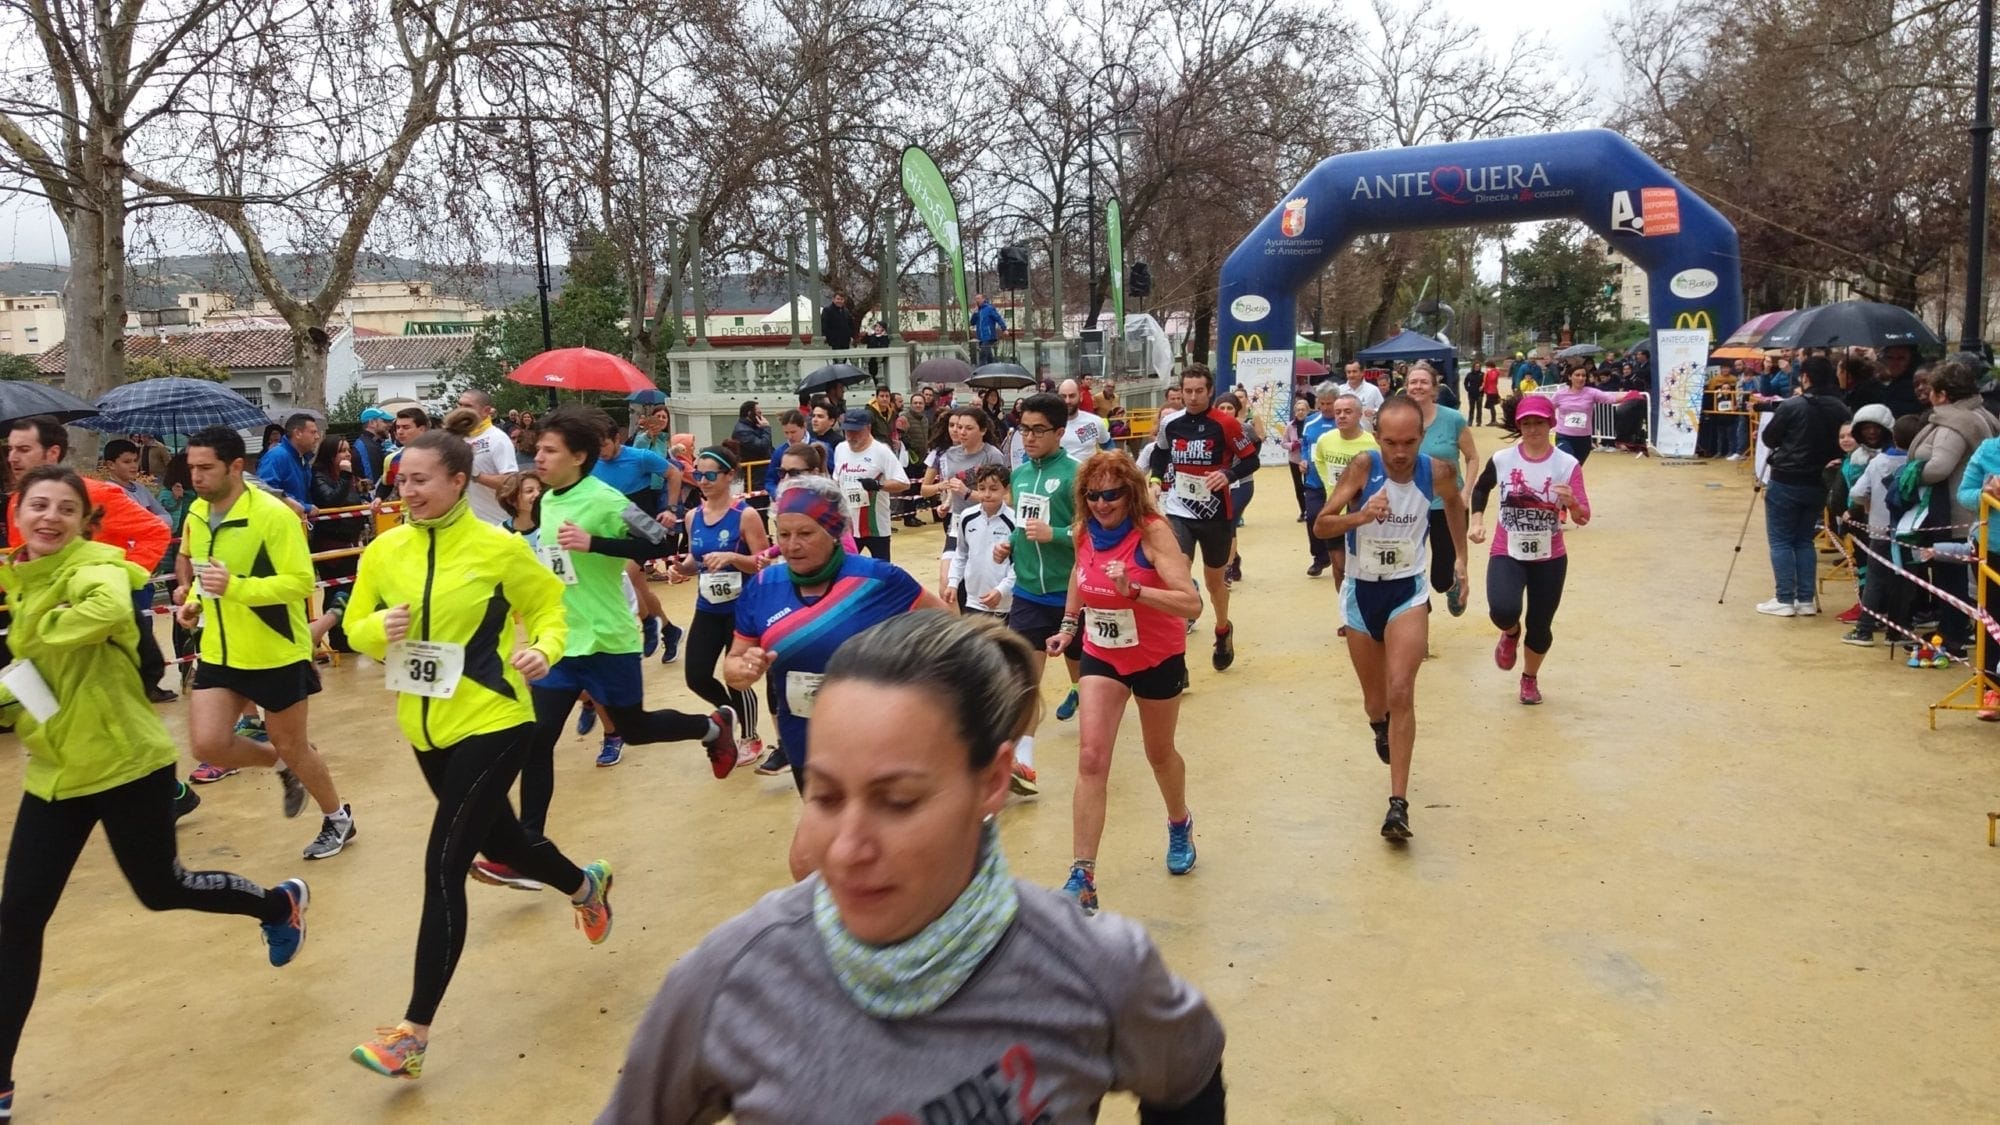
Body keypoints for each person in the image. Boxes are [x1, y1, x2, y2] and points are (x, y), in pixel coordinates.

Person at [603, 611, 1226, 1121]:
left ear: (992, 782)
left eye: (897, 801)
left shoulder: (1091, 966)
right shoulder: (735, 979)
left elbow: (1188, 1076)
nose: (845, 849)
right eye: (823, 796)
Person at [0, 466, 311, 1116]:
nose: (49, 516)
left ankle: (276, 904)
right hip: (55, 774)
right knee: (19, 918)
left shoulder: (100, 567)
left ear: (86, 521)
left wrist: (28, 632)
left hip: (126, 768)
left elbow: (106, 609)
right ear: (19, 513)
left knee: (161, 889)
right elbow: (28, 676)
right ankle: (0, 1078)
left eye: (65, 507)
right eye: (37, 505)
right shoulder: (21, 578)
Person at [341, 432, 612, 1080]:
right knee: (511, 844)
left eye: (421, 480)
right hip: (425, 727)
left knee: (445, 863)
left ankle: (411, 1033)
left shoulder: (499, 549)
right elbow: (354, 626)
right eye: (401, 480)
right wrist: (383, 630)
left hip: (495, 718)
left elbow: (550, 608)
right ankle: (585, 884)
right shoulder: (384, 551)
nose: (406, 491)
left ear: (460, 481)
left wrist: (544, 649)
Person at [479, 408, 738, 891]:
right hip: (559, 641)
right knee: (537, 741)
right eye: (538, 449)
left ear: (579, 456)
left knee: (635, 730)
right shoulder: (549, 500)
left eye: (550, 450)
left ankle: (711, 726)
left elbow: (663, 538)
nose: (539, 456)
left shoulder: (605, 498)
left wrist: (595, 542)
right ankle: (528, 850)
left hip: (608, 638)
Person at [722, 476, 946, 836]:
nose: (791, 546)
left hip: (877, 740)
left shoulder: (878, 579)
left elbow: (948, 629)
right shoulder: (763, 587)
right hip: (805, 739)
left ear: (833, 530)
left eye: (805, 534)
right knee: (828, 838)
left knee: (872, 840)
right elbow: (733, 663)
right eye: (783, 534)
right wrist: (742, 670)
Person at [173, 426, 357, 859]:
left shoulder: (274, 516)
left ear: (236, 466)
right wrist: (195, 602)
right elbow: (206, 573)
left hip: (275, 650)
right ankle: (280, 766)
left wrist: (234, 587)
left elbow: (298, 583)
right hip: (220, 649)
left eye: (205, 468)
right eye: (191, 467)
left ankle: (338, 818)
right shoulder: (197, 514)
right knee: (207, 744)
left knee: (294, 745)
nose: (195, 477)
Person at [1045, 450, 1205, 913]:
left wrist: (1135, 591)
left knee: (1159, 754)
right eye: (1093, 495)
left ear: (1130, 492)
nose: (1101, 503)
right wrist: (1069, 626)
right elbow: (1080, 574)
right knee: (1092, 757)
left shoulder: (1153, 532)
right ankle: (1083, 875)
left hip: (1157, 656)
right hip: (1103, 654)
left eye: (1111, 494)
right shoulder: (1083, 531)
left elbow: (1190, 604)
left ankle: (1179, 821)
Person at [1314, 396, 1468, 840]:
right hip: (1362, 593)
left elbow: (1455, 504)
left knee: (1402, 689)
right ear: (1376, 436)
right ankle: (1379, 726)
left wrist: (1461, 560)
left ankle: (1397, 805)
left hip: (1408, 590)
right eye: (1391, 442)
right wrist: (1361, 515)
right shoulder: (1363, 467)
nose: (1400, 453)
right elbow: (1322, 525)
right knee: (1376, 701)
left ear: (1422, 436)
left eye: (1410, 442)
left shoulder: (1436, 471)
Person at [1469, 396, 1591, 705]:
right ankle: (1510, 633)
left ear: (1551, 424)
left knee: (1540, 627)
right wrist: (1477, 519)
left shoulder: (1566, 465)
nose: (1533, 429)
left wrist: (1573, 503)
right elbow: (1482, 488)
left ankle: (1529, 679)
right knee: (1503, 610)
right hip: (1507, 550)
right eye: (1526, 423)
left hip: (1549, 558)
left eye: (1539, 422)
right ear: (1518, 426)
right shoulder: (1502, 459)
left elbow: (1584, 517)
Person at [1147, 365, 1259, 671]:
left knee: (1213, 583)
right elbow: (1160, 455)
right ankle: (1176, 660)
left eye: (1199, 391)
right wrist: (1156, 481)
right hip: (1178, 510)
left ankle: (1222, 628)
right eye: (1187, 391)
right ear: (1180, 392)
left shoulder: (1225, 424)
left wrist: (1228, 474)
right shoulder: (1171, 423)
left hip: (1215, 515)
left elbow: (1251, 459)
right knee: (1177, 576)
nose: (1193, 397)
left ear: (1209, 391)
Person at [1004, 392, 1085, 784]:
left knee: (1082, 672)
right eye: (1024, 430)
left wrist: (1056, 533)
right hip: (1028, 595)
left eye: (1039, 430)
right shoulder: (1018, 474)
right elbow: (1023, 525)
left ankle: (1081, 691)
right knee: (1024, 680)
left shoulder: (1076, 474)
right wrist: (1010, 544)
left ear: (1060, 431)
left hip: (1072, 594)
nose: (1030, 438)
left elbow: (1093, 534)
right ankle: (1024, 761)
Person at [1756, 355, 1852, 617]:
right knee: (1803, 540)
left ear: (1805, 377)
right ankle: (1806, 599)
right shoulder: (1841, 408)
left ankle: (1785, 597)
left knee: (1781, 540)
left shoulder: (1793, 405)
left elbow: (1769, 437)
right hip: (1820, 480)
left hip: (1787, 477)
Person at [1403, 361, 1479, 617]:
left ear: (1434, 388)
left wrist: (1466, 492)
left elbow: (1472, 457)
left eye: (1424, 382)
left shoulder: (1453, 419)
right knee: (1407, 566)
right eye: (1413, 382)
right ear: (1406, 387)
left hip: (1447, 505)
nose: (1418, 386)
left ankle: (1451, 584)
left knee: (1440, 577)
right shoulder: (1400, 420)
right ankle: (1417, 617)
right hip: (1410, 505)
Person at [921, 405, 1011, 600]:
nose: (961, 432)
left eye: (968, 428)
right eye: (958, 427)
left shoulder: (992, 455)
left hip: (988, 523)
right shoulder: (949, 455)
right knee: (946, 583)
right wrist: (947, 502)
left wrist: (967, 493)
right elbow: (952, 489)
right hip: (958, 523)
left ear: (983, 430)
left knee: (983, 581)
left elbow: (1001, 497)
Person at [1310, 393, 1379, 604]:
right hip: (1335, 513)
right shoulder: (1325, 440)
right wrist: (1332, 489)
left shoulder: (1373, 444)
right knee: (1339, 567)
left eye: (1348, 412)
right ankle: (1347, 613)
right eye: (1338, 412)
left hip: (1364, 515)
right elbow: (1318, 460)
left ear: (1359, 415)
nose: (1341, 416)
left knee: (1368, 568)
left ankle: (1368, 610)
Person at [830, 407, 910, 560]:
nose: (851, 436)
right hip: (848, 525)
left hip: (876, 527)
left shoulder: (881, 451)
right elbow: (836, 480)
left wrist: (879, 486)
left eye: (856, 431)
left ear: (868, 428)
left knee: (882, 570)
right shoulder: (840, 449)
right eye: (847, 431)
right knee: (843, 569)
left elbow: (904, 483)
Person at [947, 464, 1017, 620]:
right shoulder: (967, 516)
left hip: (1004, 603)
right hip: (973, 600)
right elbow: (962, 553)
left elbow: (1019, 564)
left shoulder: (1014, 521)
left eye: (993, 489)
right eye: (982, 488)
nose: (987, 494)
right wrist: (953, 582)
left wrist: (1002, 590)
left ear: (1006, 489)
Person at [1550, 362, 1638, 464]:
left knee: (1576, 468)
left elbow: (1610, 398)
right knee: (1567, 463)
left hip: (1584, 439)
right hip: (1564, 436)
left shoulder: (1591, 393)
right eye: (1577, 375)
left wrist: (1631, 395)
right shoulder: (1560, 394)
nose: (1581, 378)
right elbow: (1547, 408)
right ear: (1570, 377)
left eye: (1583, 375)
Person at [1298, 383, 1344, 576]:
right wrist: (1302, 460)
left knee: (1340, 519)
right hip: (1314, 481)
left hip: (1340, 483)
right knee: (1313, 517)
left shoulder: (1344, 422)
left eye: (1330, 403)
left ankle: (1344, 555)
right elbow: (1305, 445)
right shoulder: (1310, 422)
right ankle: (1320, 557)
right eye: (1322, 403)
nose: (1326, 407)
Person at [454, 389, 519, 525]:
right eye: (459, 405)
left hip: (496, 522)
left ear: (486, 411)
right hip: (465, 524)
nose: (461, 410)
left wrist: (475, 474)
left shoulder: (497, 438)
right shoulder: (455, 438)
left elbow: (511, 482)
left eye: (468, 406)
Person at [256, 412, 321, 511]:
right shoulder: (276, 456)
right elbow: (266, 490)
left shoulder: (302, 458)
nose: (317, 437)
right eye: (313, 432)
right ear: (298, 433)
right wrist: (305, 507)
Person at [373, 406, 431, 503]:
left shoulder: (441, 454)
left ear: (422, 429)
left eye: (406, 427)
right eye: (398, 427)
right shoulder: (392, 459)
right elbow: (386, 485)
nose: (399, 432)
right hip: (409, 515)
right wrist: (378, 498)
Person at [1058, 378, 1114, 460]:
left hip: (1088, 472)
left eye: (1072, 396)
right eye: (1063, 396)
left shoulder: (1094, 421)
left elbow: (1109, 446)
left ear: (1080, 397)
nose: (1067, 401)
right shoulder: (1048, 424)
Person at [1282, 397, 1310, 520]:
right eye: (1298, 410)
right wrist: (1292, 445)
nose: (1300, 412)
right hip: (1295, 460)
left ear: (1308, 411)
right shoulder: (1290, 426)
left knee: (1310, 486)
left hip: (1309, 461)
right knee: (1299, 486)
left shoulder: (1311, 425)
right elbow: (1283, 443)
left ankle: (1311, 510)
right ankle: (1303, 511)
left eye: (1303, 410)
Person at [1341, 360, 1384, 431]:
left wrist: (1375, 411)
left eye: (1354, 371)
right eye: (1349, 372)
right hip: (1344, 435)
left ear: (1362, 372)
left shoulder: (1373, 390)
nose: (1351, 375)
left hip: (1366, 434)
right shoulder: (1339, 390)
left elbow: (1383, 408)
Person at [970, 292, 1006, 365]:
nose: (977, 300)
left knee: (982, 355)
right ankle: (992, 367)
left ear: (983, 299)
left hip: (989, 335)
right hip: (981, 337)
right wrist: (975, 313)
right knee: (989, 356)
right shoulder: (978, 311)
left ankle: (981, 371)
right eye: (976, 299)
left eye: (979, 298)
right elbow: (972, 323)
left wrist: (1004, 328)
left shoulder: (989, 308)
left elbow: (998, 318)